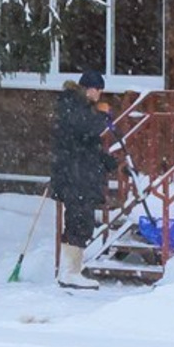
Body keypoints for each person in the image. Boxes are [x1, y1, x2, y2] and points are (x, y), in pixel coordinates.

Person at [50, 68, 119, 285]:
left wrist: (103, 159)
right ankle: (71, 272)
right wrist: (101, 115)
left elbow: (85, 142)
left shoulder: (80, 107)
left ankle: (72, 270)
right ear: (88, 89)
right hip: (75, 176)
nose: (99, 94)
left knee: (81, 220)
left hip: (81, 174)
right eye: (98, 89)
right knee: (79, 220)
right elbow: (84, 130)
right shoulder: (73, 105)